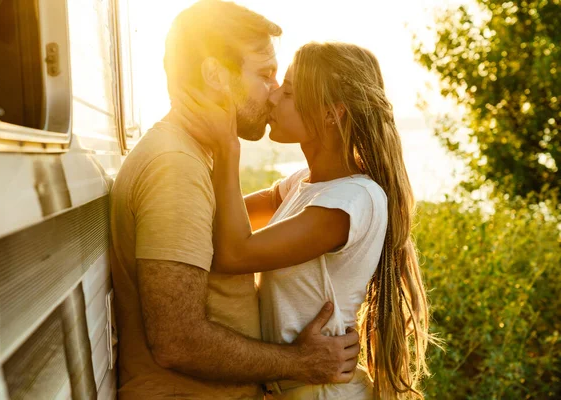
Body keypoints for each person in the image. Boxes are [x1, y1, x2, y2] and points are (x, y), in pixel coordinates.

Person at [109, 2, 360, 399]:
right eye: (265, 75)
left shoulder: (194, 156)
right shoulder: (175, 166)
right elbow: (177, 341)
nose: (275, 91)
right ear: (215, 76)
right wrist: (301, 362)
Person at [175, 42, 434, 399]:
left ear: (331, 113)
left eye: (290, 92)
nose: (272, 97)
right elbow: (216, 214)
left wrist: (227, 148)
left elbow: (233, 253)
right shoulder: (304, 184)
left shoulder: (351, 201)